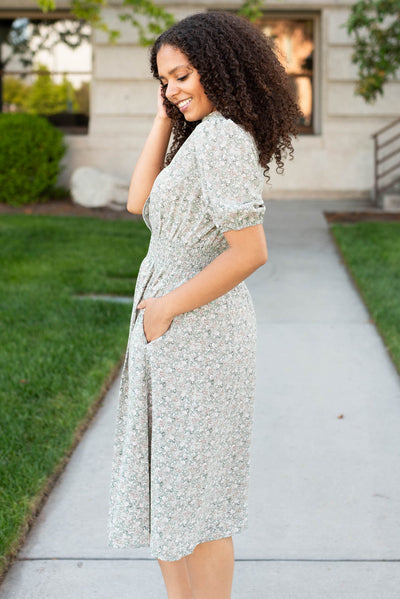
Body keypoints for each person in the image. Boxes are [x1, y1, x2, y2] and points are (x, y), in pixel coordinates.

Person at [107, 11, 301, 599]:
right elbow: (140, 199)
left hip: (198, 332)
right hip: (169, 328)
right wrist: (163, 114)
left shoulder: (222, 141)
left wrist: (165, 310)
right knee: (171, 488)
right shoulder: (200, 134)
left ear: (218, 67)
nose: (173, 90)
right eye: (164, 80)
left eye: (184, 75)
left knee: (199, 497)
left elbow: (250, 252)